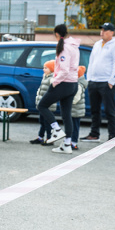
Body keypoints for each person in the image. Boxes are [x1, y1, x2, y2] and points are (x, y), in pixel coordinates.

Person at [36, 23, 79, 154]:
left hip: (63, 83)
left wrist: (54, 81)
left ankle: (56, 130)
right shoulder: (74, 46)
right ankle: (67, 144)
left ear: (56, 34)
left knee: (42, 105)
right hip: (73, 84)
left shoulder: (65, 47)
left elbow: (64, 69)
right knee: (67, 115)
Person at [81, 22, 115, 142]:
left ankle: (113, 136)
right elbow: (91, 61)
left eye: (105, 30)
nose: (102, 32)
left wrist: (112, 81)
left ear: (112, 32)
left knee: (109, 110)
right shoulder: (97, 44)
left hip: (106, 82)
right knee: (94, 110)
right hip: (94, 81)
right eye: (102, 30)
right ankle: (94, 134)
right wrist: (89, 78)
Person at [29, 60, 55, 146]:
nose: (43, 69)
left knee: (48, 123)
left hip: (48, 105)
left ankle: (49, 139)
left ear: (52, 69)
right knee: (42, 121)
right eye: (44, 67)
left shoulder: (52, 78)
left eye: (46, 68)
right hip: (42, 104)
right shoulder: (45, 77)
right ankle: (40, 137)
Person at [70, 66, 88, 150]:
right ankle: (71, 141)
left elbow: (76, 98)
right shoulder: (77, 84)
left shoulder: (78, 85)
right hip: (75, 110)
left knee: (75, 126)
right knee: (72, 126)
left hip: (76, 110)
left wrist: (69, 101)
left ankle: (74, 143)